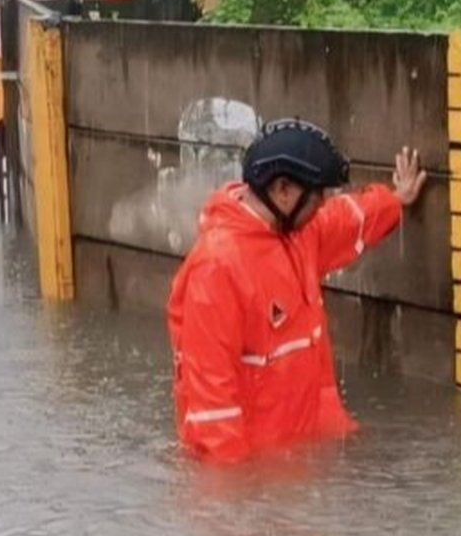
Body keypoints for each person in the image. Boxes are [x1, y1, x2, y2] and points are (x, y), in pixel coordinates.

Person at [167, 118, 428, 463]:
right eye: (317, 193)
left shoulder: (298, 233)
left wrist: (396, 200)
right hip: (261, 479)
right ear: (283, 189)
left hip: (308, 457)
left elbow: (347, 219)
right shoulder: (217, 270)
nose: (322, 203)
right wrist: (237, 508)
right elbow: (211, 416)